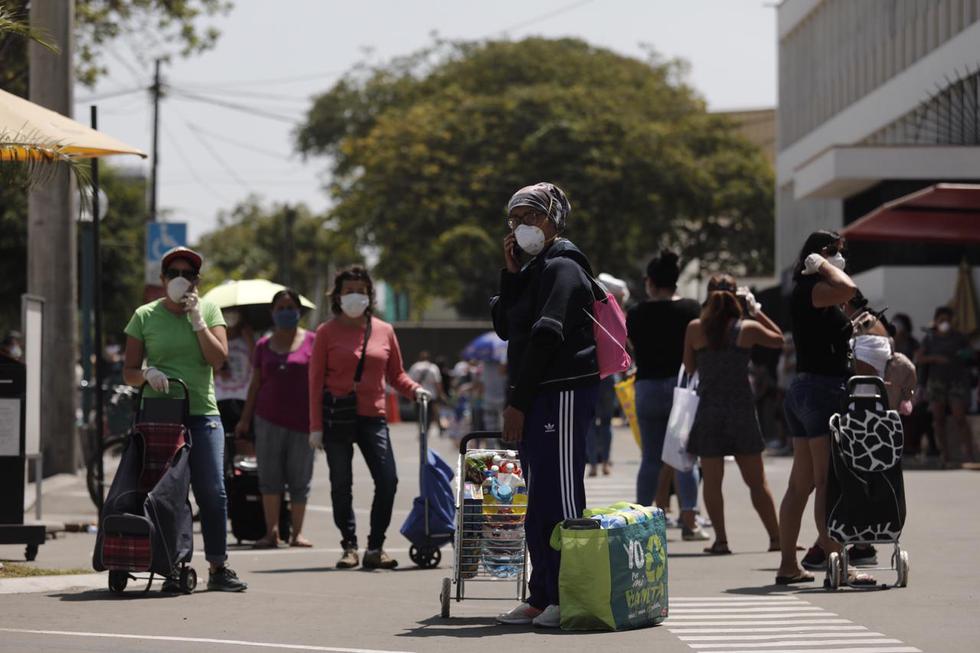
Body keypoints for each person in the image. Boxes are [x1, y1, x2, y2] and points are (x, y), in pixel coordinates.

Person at [491, 182, 599, 628]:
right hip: (536, 396)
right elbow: (503, 325)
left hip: (562, 392)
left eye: (532, 216)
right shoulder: (534, 269)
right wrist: (511, 273)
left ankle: (571, 595)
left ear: (555, 218)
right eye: (515, 219)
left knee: (561, 498)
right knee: (536, 500)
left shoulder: (564, 266)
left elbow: (547, 335)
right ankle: (542, 594)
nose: (522, 226)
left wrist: (517, 401)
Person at [121, 246, 246, 592]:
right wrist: (147, 373)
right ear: (163, 280)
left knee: (213, 490)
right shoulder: (144, 315)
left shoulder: (208, 309)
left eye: (187, 274)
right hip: (160, 415)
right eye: (173, 273)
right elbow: (128, 372)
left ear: (196, 281)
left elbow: (217, 359)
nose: (180, 279)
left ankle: (218, 567)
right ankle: (173, 565)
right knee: (167, 494)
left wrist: (198, 322)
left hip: (202, 413)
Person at [308, 266, 429, 570]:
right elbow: (314, 382)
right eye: (348, 290)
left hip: (373, 417)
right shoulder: (325, 332)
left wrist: (415, 390)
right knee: (341, 483)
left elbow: (397, 374)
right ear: (337, 295)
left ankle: (375, 546)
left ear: (370, 295)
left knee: (388, 480)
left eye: (361, 290)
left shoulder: (384, 330)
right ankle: (349, 545)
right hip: (337, 415)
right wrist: (315, 427)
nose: (354, 295)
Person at [775, 231, 872, 586]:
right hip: (821, 390)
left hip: (807, 389)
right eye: (835, 254)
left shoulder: (814, 295)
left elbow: (847, 298)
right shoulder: (813, 288)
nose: (841, 261)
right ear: (819, 256)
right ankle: (839, 565)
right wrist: (822, 266)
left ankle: (789, 565)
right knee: (826, 482)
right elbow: (848, 288)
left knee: (801, 484)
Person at [682, 275, 783, 555]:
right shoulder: (746, 328)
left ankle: (721, 541)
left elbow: (689, 369)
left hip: (709, 410)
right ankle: (776, 539)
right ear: (736, 300)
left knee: (713, 482)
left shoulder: (695, 329)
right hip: (741, 410)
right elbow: (778, 340)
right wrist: (756, 310)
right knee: (756, 482)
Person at [626, 250, 708, 541]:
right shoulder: (691, 309)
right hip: (681, 385)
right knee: (684, 457)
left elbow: (632, 345)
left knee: (650, 458)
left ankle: (637, 521)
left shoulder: (636, 312)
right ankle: (690, 521)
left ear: (650, 282)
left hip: (646, 385)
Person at [235, 289, 316, 548]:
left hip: (303, 422)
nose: (285, 312)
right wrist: (245, 419)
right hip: (267, 420)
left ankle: (297, 533)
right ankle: (272, 532)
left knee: (299, 479)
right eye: (280, 308)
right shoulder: (262, 345)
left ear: (299, 311)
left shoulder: (313, 341)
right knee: (269, 478)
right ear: (272, 313)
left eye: (290, 307)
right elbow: (255, 384)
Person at [917, 306, 976, 466]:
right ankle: (945, 455)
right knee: (938, 419)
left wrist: (965, 354)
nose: (945, 323)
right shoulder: (930, 339)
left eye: (948, 320)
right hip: (937, 383)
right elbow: (919, 358)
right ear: (936, 321)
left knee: (960, 417)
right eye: (942, 320)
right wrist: (935, 358)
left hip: (957, 382)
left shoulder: (959, 337)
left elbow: (971, 354)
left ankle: (969, 455)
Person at [587, 273, 628, 477]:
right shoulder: (612, 315)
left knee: (592, 423)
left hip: (592, 374)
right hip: (608, 374)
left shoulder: (587, 314)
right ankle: (605, 462)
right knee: (605, 422)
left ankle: (594, 463)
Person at [216, 307, 254, 462]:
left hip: (244, 401)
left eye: (235, 313)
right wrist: (219, 369)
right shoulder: (216, 340)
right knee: (222, 448)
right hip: (220, 401)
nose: (231, 317)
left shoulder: (249, 339)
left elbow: (259, 364)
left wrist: (250, 339)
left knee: (245, 446)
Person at [408, 351, 444, 436]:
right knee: (430, 414)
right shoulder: (433, 367)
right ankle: (426, 429)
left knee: (419, 413)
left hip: (418, 393)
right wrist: (440, 394)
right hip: (431, 394)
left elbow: (409, 381)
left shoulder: (415, 367)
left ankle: (421, 429)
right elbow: (437, 382)